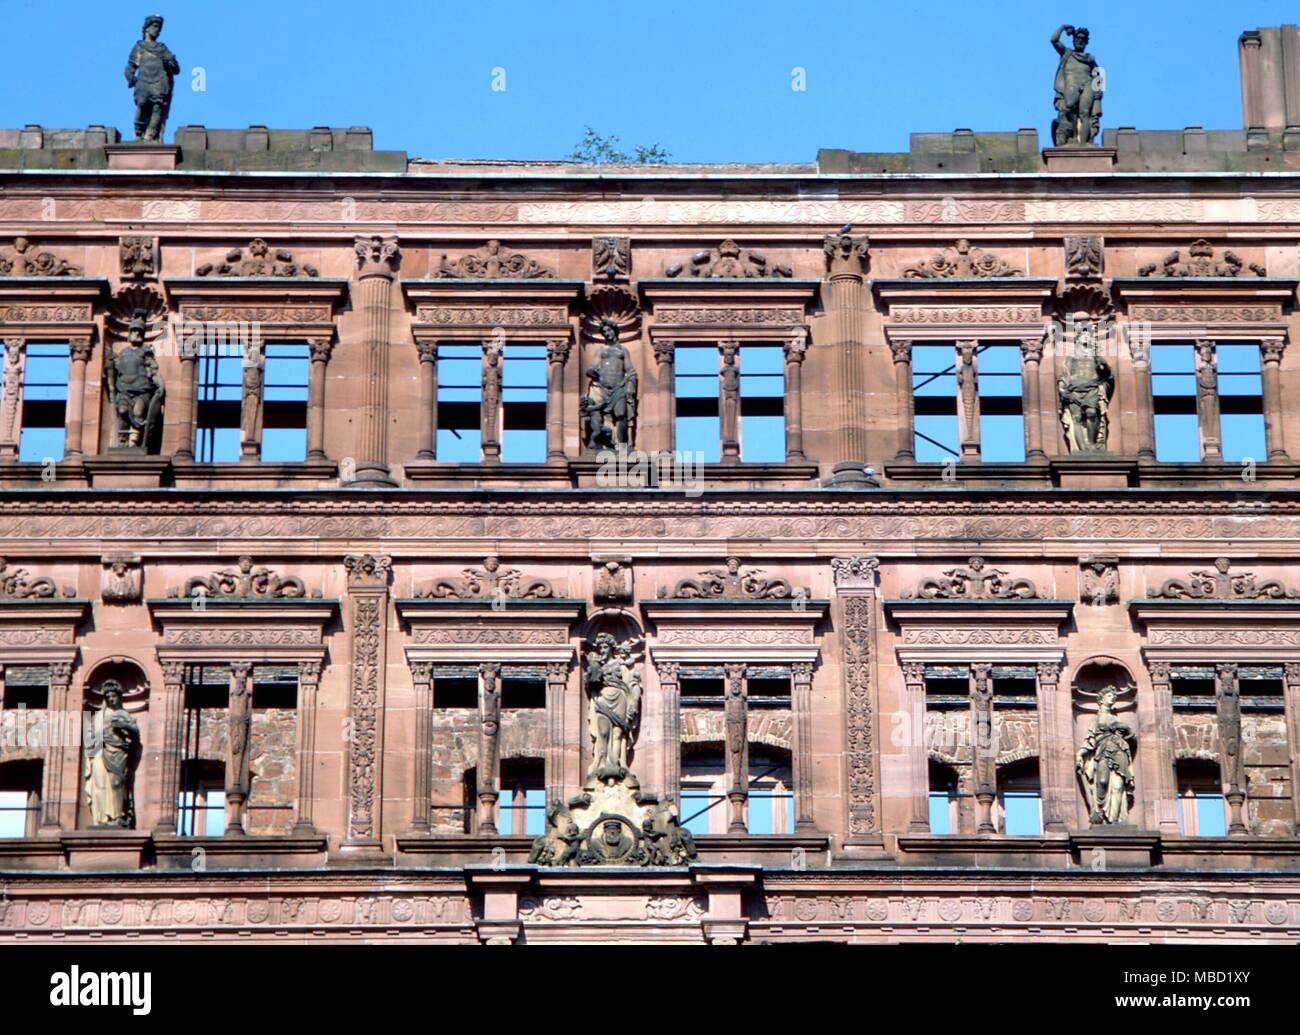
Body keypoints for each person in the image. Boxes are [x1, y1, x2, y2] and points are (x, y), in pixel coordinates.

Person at [83, 681, 141, 828]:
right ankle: (101, 818)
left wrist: (124, 725)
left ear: (120, 697)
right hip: (99, 751)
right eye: (108, 696)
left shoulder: (123, 714)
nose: (111, 699)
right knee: (99, 784)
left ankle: (117, 817)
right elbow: (89, 737)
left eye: (113, 696)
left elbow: (135, 733)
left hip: (118, 753)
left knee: (117, 783)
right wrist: (98, 736)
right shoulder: (99, 715)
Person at [1076, 687, 1136, 825]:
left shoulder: (1116, 719)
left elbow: (1132, 738)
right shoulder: (1096, 719)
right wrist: (1080, 754)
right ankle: (1099, 813)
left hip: (1119, 752)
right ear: (1101, 699)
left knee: (1118, 786)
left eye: (1114, 696)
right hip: (1102, 752)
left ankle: (1115, 820)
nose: (1113, 698)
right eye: (1109, 695)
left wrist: (1128, 731)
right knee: (1102, 782)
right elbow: (1090, 740)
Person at [125, 15, 180, 142]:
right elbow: (131, 65)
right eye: (155, 27)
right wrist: (130, 76)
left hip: (160, 81)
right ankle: (138, 133)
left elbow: (176, 69)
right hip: (143, 80)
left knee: (157, 107)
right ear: (147, 28)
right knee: (142, 104)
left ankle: (150, 135)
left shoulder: (162, 48)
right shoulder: (139, 47)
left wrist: (172, 62)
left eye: (159, 28)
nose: (157, 30)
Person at [1051, 24, 1101, 145]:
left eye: (1083, 39)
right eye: (1077, 38)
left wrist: (1099, 92)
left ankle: (1084, 145)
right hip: (1071, 84)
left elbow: (1099, 75)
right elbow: (1054, 39)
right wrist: (1063, 27)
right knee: (1069, 108)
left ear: (1086, 42)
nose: (1080, 41)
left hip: (1088, 84)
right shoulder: (1067, 53)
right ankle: (1069, 138)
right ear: (1073, 40)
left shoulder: (1090, 59)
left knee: (1085, 113)